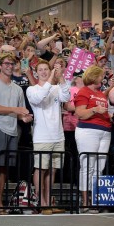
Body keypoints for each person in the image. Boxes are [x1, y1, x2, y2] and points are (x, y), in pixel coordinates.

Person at [0, 52, 33, 214]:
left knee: (4, 168)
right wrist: (15, 110)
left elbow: (19, 113)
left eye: (12, 64)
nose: (9, 66)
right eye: (6, 63)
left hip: (13, 130)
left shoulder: (18, 89)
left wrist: (24, 118)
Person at [26, 60, 70, 214]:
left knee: (52, 170)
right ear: (36, 72)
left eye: (47, 69)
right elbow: (39, 98)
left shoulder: (56, 88)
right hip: (42, 136)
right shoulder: (32, 90)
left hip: (58, 135)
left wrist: (61, 76)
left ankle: (49, 201)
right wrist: (52, 77)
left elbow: (66, 96)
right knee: (41, 169)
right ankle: (40, 202)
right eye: (41, 70)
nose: (44, 72)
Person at [74, 65, 111, 211]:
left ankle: (94, 199)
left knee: (98, 168)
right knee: (87, 166)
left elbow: (104, 112)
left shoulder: (101, 94)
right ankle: (85, 201)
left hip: (105, 131)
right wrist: (95, 109)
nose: (102, 78)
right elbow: (80, 113)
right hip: (88, 131)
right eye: (100, 76)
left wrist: (112, 118)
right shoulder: (84, 91)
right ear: (94, 76)